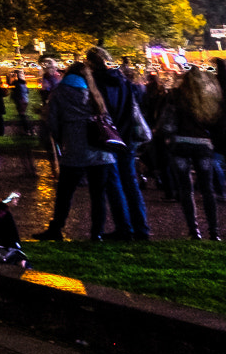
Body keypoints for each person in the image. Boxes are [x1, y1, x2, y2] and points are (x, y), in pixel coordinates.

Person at [34, 61, 118, 242]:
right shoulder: (94, 92)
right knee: (98, 195)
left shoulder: (59, 93)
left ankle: (56, 228)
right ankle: (97, 233)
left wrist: (61, 138)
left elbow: (53, 122)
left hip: (74, 149)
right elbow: (106, 117)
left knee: (65, 192)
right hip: (100, 151)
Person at [88, 47, 149, 241]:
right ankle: (141, 228)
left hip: (110, 137)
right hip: (128, 137)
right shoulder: (123, 80)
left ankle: (124, 228)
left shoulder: (97, 83)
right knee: (130, 183)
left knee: (114, 184)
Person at [159, 66, 223, 240]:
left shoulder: (175, 95)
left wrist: (167, 137)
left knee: (186, 190)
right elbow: (215, 123)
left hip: (180, 143)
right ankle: (214, 231)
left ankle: (194, 231)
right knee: (207, 189)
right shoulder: (208, 99)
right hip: (203, 144)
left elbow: (166, 123)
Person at [10, 71, 32, 136]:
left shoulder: (17, 83)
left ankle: (27, 130)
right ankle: (26, 129)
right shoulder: (24, 83)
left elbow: (10, 84)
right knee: (23, 115)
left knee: (22, 115)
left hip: (20, 101)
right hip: (25, 100)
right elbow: (27, 92)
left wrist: (12, 77)